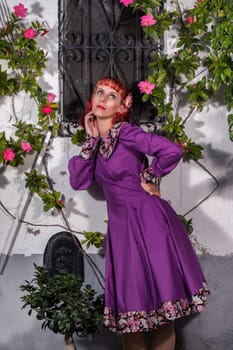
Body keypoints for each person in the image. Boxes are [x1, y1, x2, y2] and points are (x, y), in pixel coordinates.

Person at [68, 77, 210, 350]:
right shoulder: (95, 146)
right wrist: (90, 140)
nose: (103, 98)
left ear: (124, 104)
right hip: (122, 231)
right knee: (130, 315)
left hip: (149, 222)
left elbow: (171, 151)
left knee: (160, 313)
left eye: (112, 95)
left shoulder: (128, 133)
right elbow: (78, 182)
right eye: (100, 92)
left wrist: (151, 175)